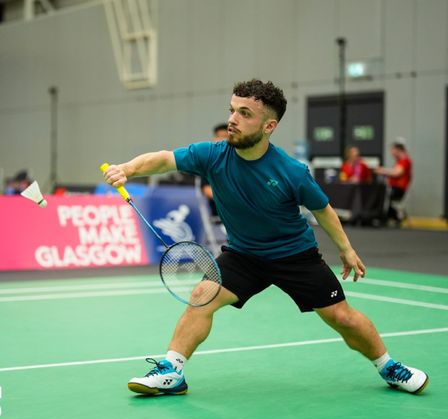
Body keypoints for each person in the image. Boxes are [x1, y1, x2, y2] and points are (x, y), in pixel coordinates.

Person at [103, 79, 428, 396]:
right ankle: (172, 371)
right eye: (232, 110)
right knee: (201, 297)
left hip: (294, 256)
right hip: (244, 256)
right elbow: (164, 159)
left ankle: (389, 366)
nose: (233, 119)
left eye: (245, 113)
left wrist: (346, 249)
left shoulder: (290, 171)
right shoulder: (213, 155)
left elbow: (323, 209)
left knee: (341, 316)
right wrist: (128, 169)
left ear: (269, 126)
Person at [375, 141, 412, 225]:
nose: (392, 153)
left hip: (398, 189)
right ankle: (397, 215)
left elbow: (397, 172)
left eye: (393, 150)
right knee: (382, 197)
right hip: (394, 187)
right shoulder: (400, 161)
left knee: (383, 198)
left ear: (398, 150)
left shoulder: (405, 161)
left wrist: (382, 170)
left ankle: (395, 216)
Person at [201, 123, 228, 218]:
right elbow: (207, 189)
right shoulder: (209, 164)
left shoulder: (242, 161)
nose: (221, 140)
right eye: (218, 137)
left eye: (225, 137)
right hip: (217, 217)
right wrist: (229, 200)